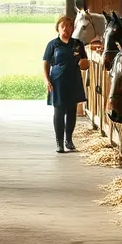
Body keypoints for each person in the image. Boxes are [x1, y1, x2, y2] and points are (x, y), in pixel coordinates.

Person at [43, 14, 90, 153]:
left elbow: (85, 63)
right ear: (58, 28)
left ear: (72, 28)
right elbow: (45, 63)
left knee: (71, 111)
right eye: (63, 26)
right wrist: (47, 80)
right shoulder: (53, 44)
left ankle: (68, 140)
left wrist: (84, 64)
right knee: (58, 112)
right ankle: (59, 143)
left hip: (74, 80)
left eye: (69, 26)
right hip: (57, 82)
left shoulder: (77, 44)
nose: (66, 29)